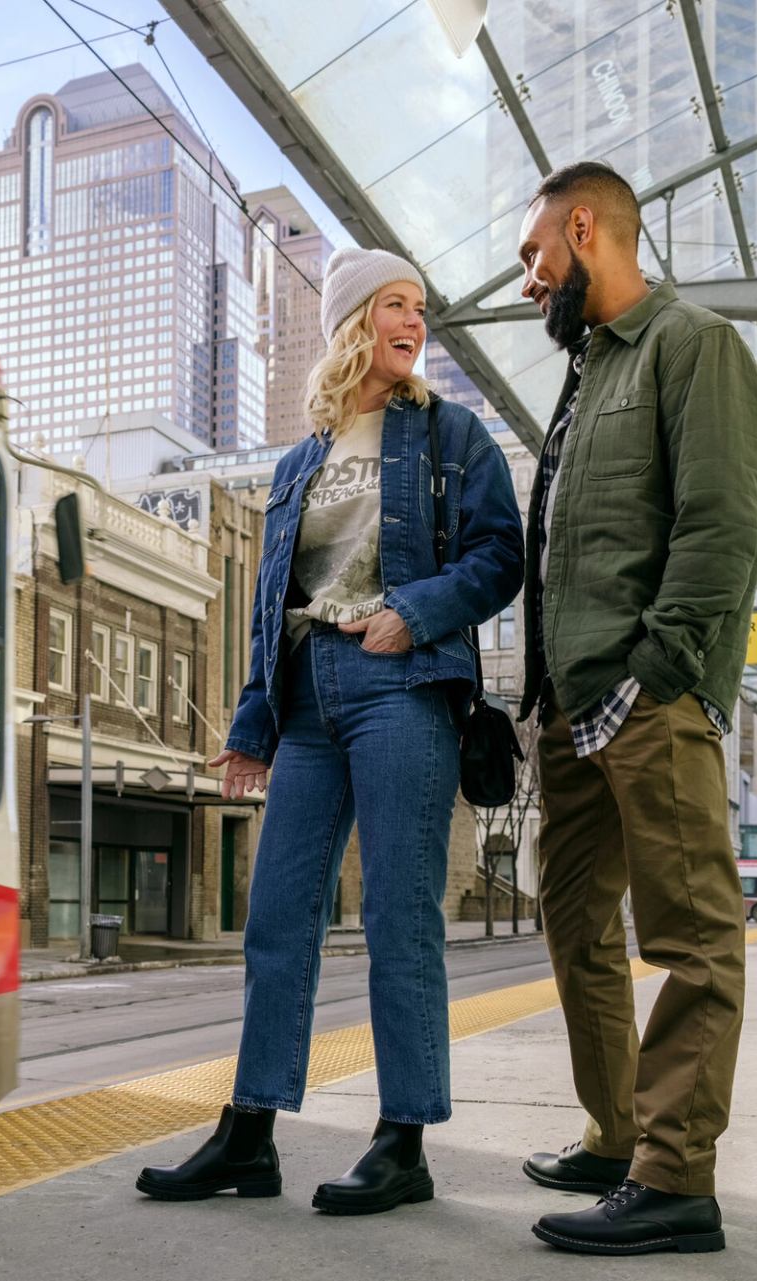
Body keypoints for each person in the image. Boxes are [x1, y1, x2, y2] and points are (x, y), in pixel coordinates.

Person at [136, 248, 523, 1214]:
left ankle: (403, 1143)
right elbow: (276, 603)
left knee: (399, 916)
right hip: (309, 699)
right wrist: (253, 719)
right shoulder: (298, 462)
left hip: (402, 683)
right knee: (277, 921)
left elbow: (500, 557)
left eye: (420, 307)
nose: (414, 320)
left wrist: (419, 611)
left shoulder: (452, 437)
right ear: (353, 321)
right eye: (394, 304)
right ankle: (251, 1132)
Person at [512, 162, 757, 1257]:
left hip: (647, 703)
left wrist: (656, 674)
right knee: (574, 926)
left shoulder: (691, 346)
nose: (530, 282)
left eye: (536, 256)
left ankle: (675, 1179)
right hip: (572, 713)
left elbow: (720, 526)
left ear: (586, 228)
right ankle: (616, 1135)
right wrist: (540, 701)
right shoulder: (583, 381)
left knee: (691, 937)